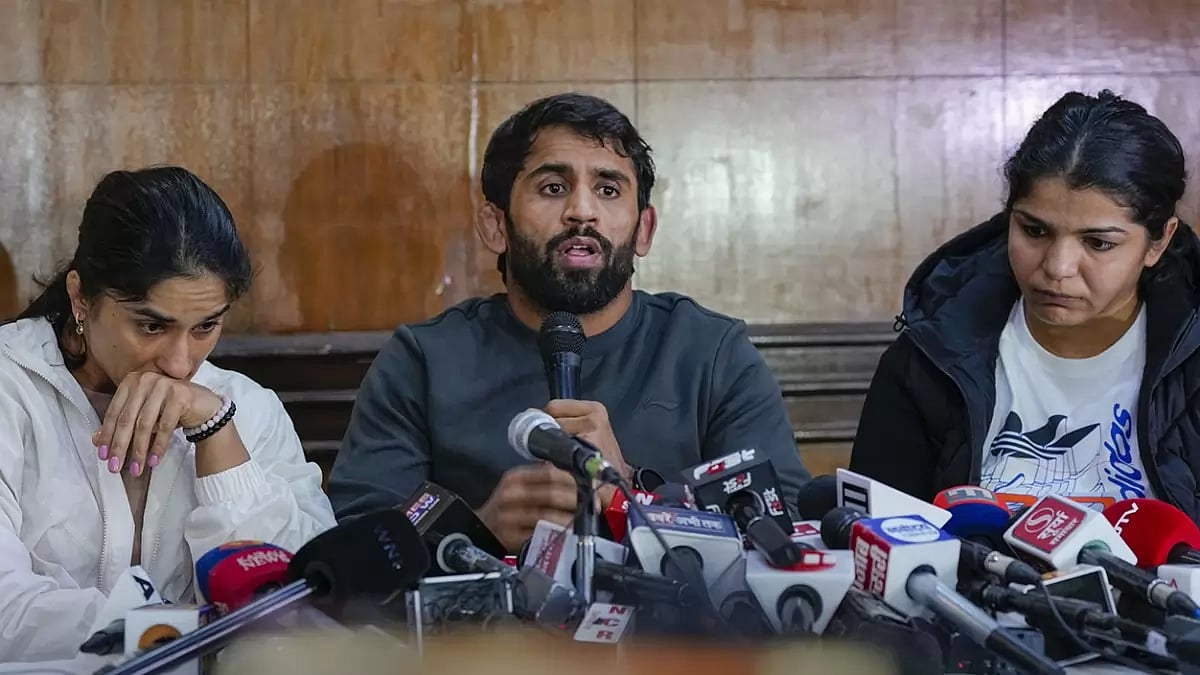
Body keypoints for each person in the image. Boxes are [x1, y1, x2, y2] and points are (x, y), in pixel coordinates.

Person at [329, 92, 810, 551]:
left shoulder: (711, 352)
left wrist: (632, 494)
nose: (582, 211)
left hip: (669, 634)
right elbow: (357, 539)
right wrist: (477, 530)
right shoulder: (424, 360)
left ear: (644, 229)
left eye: (607, 189)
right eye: (553, 188)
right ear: (497, 226)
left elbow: (786, 529)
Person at [0, 167, 336, 662]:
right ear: (80, 296)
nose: (181, 363)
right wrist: (183, 632)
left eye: (206, 327)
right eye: (151, 326)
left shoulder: (247, 407)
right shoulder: (11, 388)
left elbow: (308, 606)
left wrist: (216, 434)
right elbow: (8, 616)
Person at [850, 90, 1200, 520]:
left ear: (1158, 242)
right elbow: (877, 539)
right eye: (1034, 231)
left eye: (1098, 243)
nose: (1057, 267)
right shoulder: (929, 359)